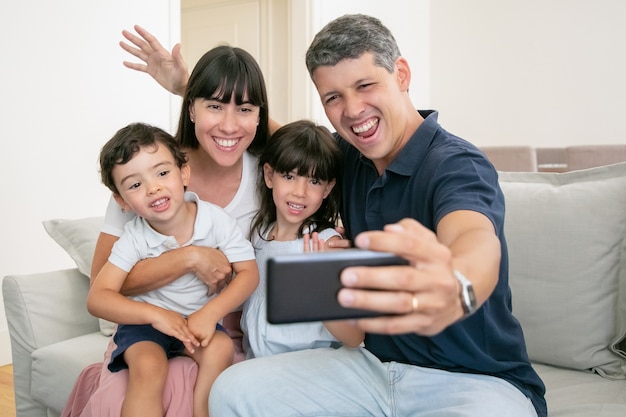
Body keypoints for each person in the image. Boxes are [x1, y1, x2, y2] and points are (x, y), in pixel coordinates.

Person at [206, 13, 547, 417]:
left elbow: (474, 239)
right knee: (233, 390)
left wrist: (459, 285)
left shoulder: (456, 165)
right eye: (333, 97)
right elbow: (290, 149)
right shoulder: (349, 156)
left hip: (472, 381)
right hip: (369, 370)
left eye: (365, 85)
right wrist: (199, 93)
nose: (352, 110)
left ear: (401, 74)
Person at [61, 43, 274, 417]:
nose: (229, 124)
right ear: (191, 109)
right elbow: (103, 286)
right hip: (147, 326)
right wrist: (189, 258)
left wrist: (191, 85)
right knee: (139, 382)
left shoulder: (270, 175)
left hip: (219, 330)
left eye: (245, 109)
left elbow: (318, 150)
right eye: (213, 105)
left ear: (260, 116)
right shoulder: (146, 171)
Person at [89, 122, 259, 417]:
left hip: (195, 321)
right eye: (135, 185)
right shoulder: (134, 237)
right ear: (122, 201)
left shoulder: (215, 221)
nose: (153, 188)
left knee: (220, 349)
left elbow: (249, 274)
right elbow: (98, 298)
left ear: (184, 173)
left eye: (162, 173)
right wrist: (156, 315)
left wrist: (210, 313)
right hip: (145, 326)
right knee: (148, 368)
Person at [242, 119, 364, 358]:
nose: (300, 192)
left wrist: (319, 287)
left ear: (327, 189)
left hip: (308, 366)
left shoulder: (327, 245)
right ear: (269, 176)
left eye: (314, 181)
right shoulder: (260, 236)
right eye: (289, 176)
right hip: (258, 366)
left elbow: (354, 336)